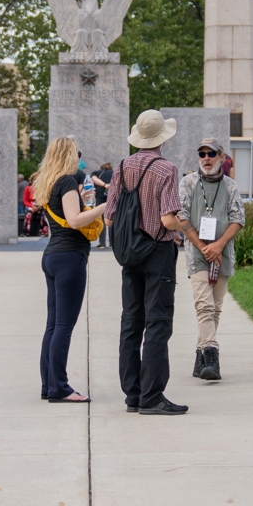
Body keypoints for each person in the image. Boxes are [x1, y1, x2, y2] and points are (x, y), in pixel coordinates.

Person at [106, 109, 188, 415]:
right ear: (162, 138)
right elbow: (167, 219)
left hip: (130, 253)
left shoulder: (122, 166)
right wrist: (182, 225)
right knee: (157, 322)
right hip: (157, 252)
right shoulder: (166, 169)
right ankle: (152, 396)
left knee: (131, 322)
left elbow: (109, 218)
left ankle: (133, 394)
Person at [35, 137, 104, 403]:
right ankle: (60, 388)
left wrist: (82, 199)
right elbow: (74, 220)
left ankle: (49, 385)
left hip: (53, 255)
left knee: (53, 325)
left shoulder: (51, 181)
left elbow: (66, 213)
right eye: (77, 153)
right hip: (69, 257)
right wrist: (104, 206)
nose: (79, 158)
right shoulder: (66, 181)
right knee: (64, 325)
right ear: (68, 155)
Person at [174, 137, 245, 382]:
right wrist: (204, 247)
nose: (206, 158)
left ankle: (200, 357)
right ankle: (212, 356)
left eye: (211, 154)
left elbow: (238, 219)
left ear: (222, 158)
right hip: (198, 254)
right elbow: (182, 217)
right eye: (202, 154)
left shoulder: (231, 186)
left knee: (215, 308)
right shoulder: (188, 183)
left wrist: (218, 245)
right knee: (203, 305)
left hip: (222, 253)